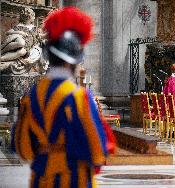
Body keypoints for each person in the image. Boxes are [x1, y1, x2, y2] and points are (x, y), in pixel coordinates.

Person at [11, 7, 115, 188]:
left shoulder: (31, 96)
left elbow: (22, 147)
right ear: (71, 61)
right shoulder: (78, 97)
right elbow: (97, 150)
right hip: (74, 179)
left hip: (41, 180)